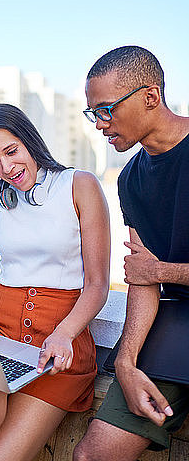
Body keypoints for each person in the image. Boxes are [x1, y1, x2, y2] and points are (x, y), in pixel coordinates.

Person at [0, 103, 110, 461]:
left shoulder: (79, 186)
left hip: (57, 350)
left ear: (30, 141)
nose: (7, 168)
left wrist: (64, 333)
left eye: (11, 151)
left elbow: (97, 285)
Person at [74, 46, 189, 461]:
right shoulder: (130, 179)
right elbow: (143, 280)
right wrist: (125, 362)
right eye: (94, 114)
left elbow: (150, 270)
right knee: (92, 456)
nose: (101, 125)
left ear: (150, 97)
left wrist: (159, 269)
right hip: (176, 325)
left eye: (107, 110)